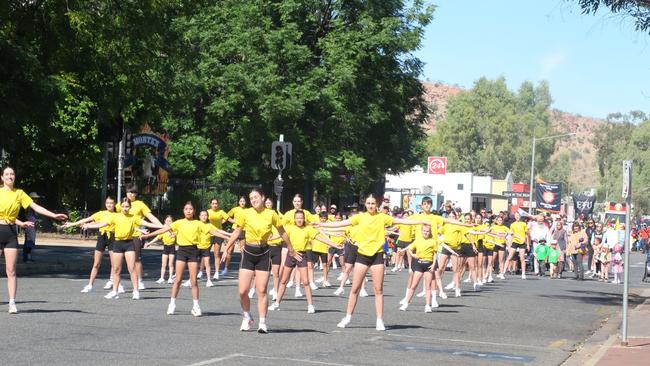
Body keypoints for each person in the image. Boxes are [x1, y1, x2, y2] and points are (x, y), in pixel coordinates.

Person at [318, 194, 425, 331]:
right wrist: (321, 224)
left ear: (377, 205)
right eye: (368, 203)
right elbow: (341, 223)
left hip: (377, 255)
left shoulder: (382, 217)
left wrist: (420, 222)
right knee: (355, 288)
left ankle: (379, 320)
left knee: (378, 289)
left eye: (373, 203)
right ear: (365, 204)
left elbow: (401, 221)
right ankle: (348, 317)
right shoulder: (360, 217)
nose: (370, 205)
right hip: (362, 255)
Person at [221, 189, 293, 333]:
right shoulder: (245, 213)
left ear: (263, 197)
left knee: (261, 290)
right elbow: (237, 232)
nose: (253, 200)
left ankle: (262, 322)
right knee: (242, 291)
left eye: (256, 197)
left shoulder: (271, 214)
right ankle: (247, 315)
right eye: (251, 198)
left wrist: (291, 248)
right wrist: (227, 248)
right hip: (248, 252)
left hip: (264, 253)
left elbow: (282, 231)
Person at [0, 166, 68, 313]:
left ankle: (12, 302)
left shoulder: (19, 193)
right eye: (7, 174)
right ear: (2, 177)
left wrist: (54, 216)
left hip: (11, 233)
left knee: (11, 270)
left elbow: (36, 207)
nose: (10, 176)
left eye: (12, 174)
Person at [143, 202, 229, 316]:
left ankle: (196, 306)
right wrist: (147, 236)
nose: (188, 211)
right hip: (182, 251)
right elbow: (163, 230)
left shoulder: (198, 223)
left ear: (194, 211)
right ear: (183, 211)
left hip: (193, 251)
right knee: (178, 279)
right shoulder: (178, 223)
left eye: (190, 209)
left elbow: (213, 231)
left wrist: (229, 237)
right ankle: (172, 304)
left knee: (194, 280)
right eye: (186, 209)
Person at [82, 198, 163, 300]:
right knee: (116, 269)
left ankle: (136, 291)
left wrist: (162, 226)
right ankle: (115, 291)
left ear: (130, 207)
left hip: (129, 244)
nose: (125, 208)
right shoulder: (115, 217)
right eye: (123, 206)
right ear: (120, 207)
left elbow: (148, 224)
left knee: (131, 268)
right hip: (118, 244)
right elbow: (102, 224)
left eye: (127, 206)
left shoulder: (134, 218)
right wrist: (89, 226)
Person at [268, 210, 342, 313]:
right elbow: (280, 235)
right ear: (294, 219)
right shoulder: (289, 228)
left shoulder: (308, 229)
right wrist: (269, 238)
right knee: (284, 281)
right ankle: (276, 304)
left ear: (304, 219)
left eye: (301, 218)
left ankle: (310, 305)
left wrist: (333, 244)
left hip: (302, 255)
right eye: (297, 218)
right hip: (291, 255)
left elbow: (320, 238)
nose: (299, 220)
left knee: (306, 282)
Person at [61, 196, 118, 293]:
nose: (109, 205)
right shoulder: (101, 213)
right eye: (107, 203)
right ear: (105, 204)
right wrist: (72, 224)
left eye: (111, 203)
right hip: (102, 237)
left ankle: (112, 281)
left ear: (114, 204)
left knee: (114, 264)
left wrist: (89, 225)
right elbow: (87, 219)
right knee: (96, 263)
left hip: (112, 237)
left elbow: (103, 224)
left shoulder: (117, 215)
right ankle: (90, 285)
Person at [122, 183, 163, 290]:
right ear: (126, 192)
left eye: (134, 192)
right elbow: (112, 215)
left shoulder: (140, 204)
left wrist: (162, 227)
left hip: (136, 235)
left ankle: (140, 281)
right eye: (130, 191)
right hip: (122, 235)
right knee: (119, 259)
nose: (132, 194)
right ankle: (115, 281)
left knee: (136, 259)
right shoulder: (121, 204)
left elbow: (151, 217)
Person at [397, 224, 438, 312]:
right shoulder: (418, 240)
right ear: (421, 231)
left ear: (430, 232)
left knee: (428, 286)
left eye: (427, 231)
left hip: (429, 264)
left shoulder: (433, 241)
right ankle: (406, 303)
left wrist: (434, 264)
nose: (426, 233)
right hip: (419, 264)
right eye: (424, 231)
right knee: (414, 285)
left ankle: (427, 305)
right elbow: (410, 249)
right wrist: (413, 255)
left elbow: (435, 254)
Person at [144, 215, 176, 284]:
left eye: (170, 221)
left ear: (172, 222)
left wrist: (174, 234)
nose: (168, 222)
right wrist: (149, 243)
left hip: (172, 247)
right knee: (163, 264)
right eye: (167, 221)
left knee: (170, 264)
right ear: (164, 221)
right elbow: (157, 238)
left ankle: (170, 278)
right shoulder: (163, 231)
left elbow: (178, 236)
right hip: (165, 247)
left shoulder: (175, 230)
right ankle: (162, 278)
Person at [207, 198, 234, 280]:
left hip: (218, 234)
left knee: (216, 253)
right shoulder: (207, 212)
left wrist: (240, 221)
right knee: (205, 253)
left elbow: (230, 220)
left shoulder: (221, 212)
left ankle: (216, 272)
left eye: (216, 203)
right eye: (213, 203)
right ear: (210, 204)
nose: (214, 205)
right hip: (208, 233)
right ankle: (201, 271)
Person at [223, 196, 248, 277]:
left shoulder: (248, 210)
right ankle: (225, 268)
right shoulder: (235, 209)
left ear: (246, 202)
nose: (242, 202)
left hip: (243, 230)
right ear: (239, 202)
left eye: (243, 201)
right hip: (235, 229)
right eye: (241, 201)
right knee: (230, 249)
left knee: (243, 251)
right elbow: (227, 216)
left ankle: (242, 269)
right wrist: (230, 221)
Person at [505, 212, 529, 279]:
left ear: (520, 216)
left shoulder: (524, 224)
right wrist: (510, 243)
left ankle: (523, 273)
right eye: (516, 216)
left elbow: (527, 234)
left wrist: (528, 244)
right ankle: (503, 272)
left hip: (522, 242)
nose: (517, 217)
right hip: (515, 242)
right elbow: (511, 235)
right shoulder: (512, 225)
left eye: (518, 215)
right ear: (514, 217)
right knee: (509, 257)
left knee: (522, 258)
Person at [22, 192, 40, 262]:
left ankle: (26, 258)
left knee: (28, 241)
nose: (36, 200)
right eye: (34, 198)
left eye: (36, 199)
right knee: (30, 241)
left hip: (32, 225)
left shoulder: (32, 206)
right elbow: (27, 216)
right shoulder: (29, 206)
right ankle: (27, 258)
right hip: (30, 226)